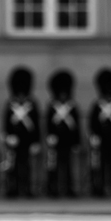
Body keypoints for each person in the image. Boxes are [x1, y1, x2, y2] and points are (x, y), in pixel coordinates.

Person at [1, 65, 40, 198]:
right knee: (12, 166)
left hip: (27, 141)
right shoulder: (11, 104)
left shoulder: (32, 104)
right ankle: (13, 188)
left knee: (26, 166)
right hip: (14, 141)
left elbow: (36, 124)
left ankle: (27, 188)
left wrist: (36, 141)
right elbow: (6, 123)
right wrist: (7, 137)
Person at [88, 67, 111, 198]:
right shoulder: (98, 105)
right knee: (100, 166)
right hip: (102, 140)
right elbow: (93, 122)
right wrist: (93, 135)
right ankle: (99, 187)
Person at [44, 69, 80, 198]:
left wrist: (76, 142)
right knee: (53, 166)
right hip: (55, 141)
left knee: (69, 167)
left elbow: (76, 126)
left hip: (68, 141)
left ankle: (69, 188)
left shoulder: (72, 106)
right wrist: (49, 136)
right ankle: (52, 187)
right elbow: (48, 123)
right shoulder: (52, 106)